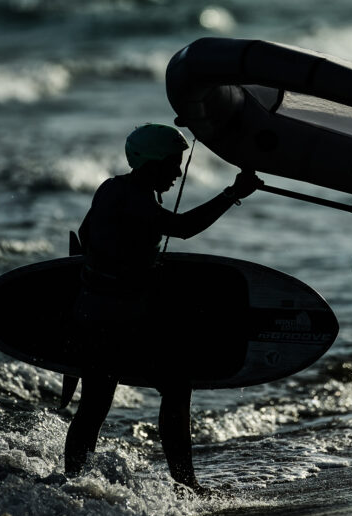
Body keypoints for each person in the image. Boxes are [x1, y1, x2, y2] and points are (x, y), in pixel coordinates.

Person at [64, 123, 260, 494]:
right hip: (123, 318)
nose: (178, 172)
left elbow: (87, 238)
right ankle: (187, 484)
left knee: (94, 405)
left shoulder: (110, 188)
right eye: (173, 163)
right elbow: (183, 228)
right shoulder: (137, 196)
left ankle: (73, 483)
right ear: (152, 163)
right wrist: (233, 193)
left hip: (90, 313)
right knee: (175, 387)